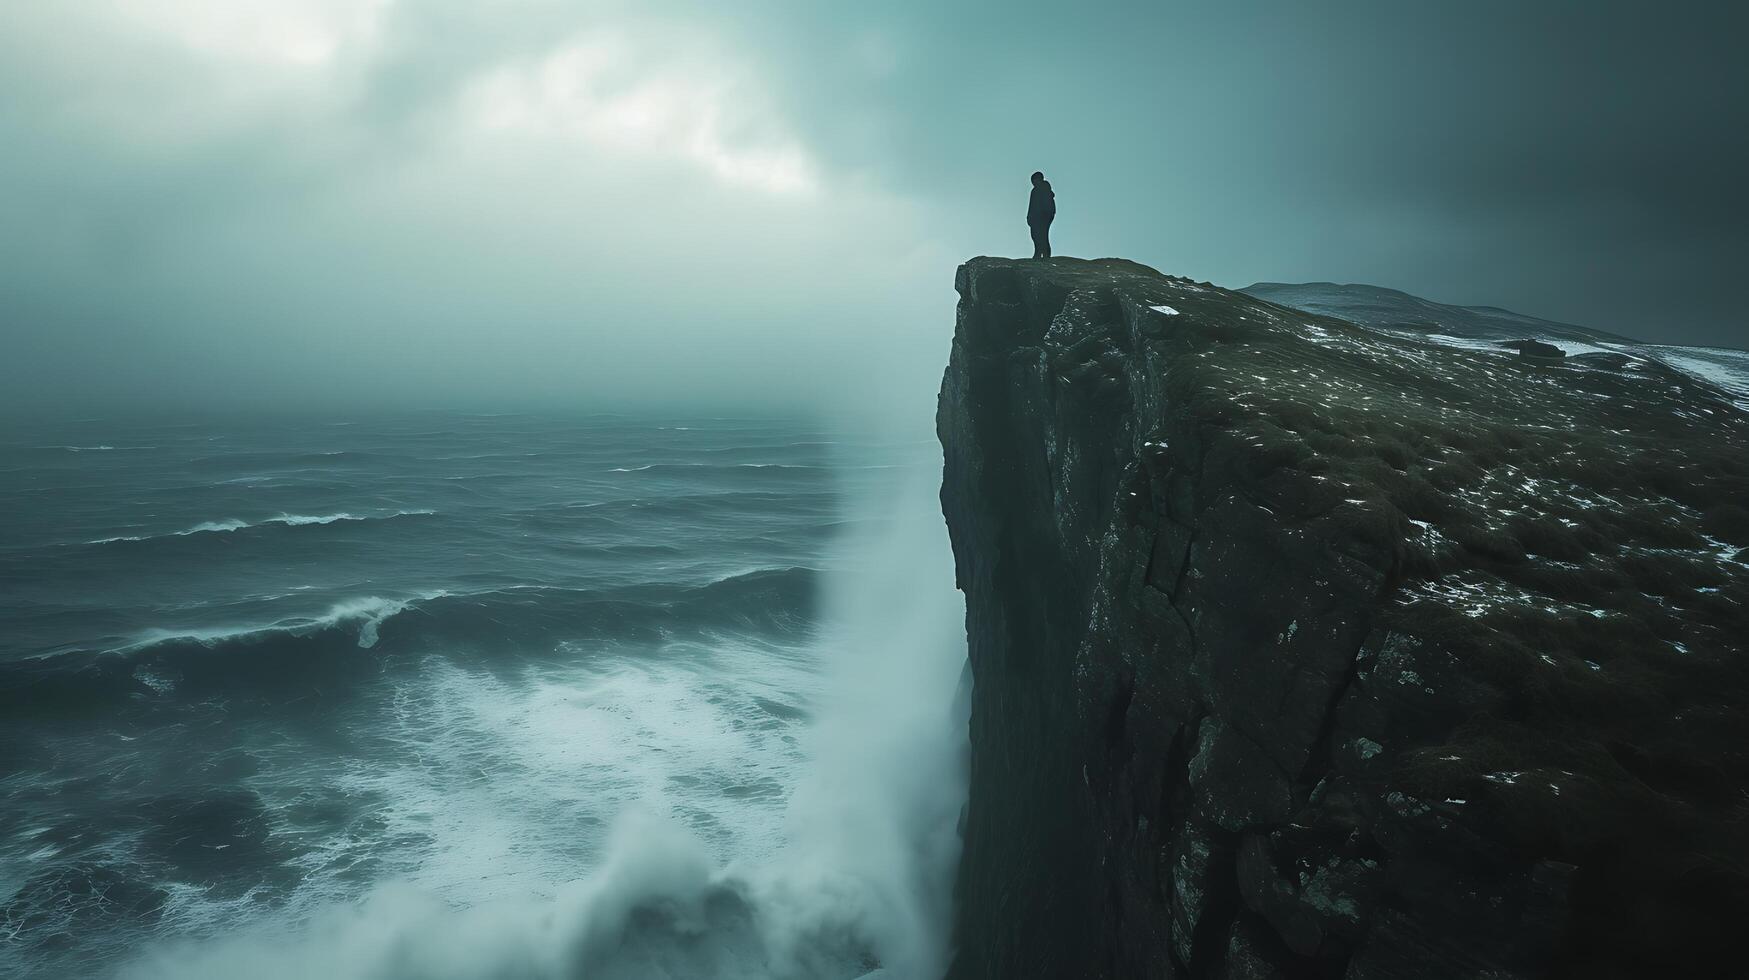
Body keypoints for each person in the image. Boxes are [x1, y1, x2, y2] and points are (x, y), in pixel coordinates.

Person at [1027, 171, 1055, 259]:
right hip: (1036, 217)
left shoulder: (1044, 188)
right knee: (1035, 235)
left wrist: (1045, 214)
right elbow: (1031, 205)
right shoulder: (1035, 190)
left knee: (1042, 235)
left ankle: (1045, 255)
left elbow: (1048, 205)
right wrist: (1029, 216)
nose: (1033, 182)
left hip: (1043, 216)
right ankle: (1038, 253)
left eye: (1034, 180)